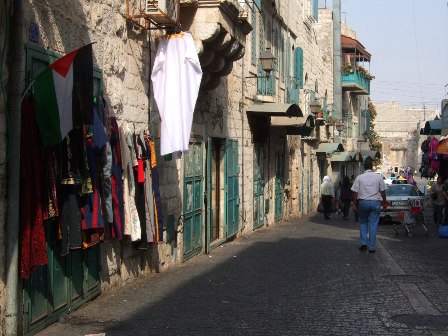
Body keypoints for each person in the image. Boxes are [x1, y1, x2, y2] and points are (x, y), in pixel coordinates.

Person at [351, 158, 387, 253]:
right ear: (372, 167)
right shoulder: (378, 177)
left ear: (364, 167)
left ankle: (363, 245)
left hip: (363, 202)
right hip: (375, 203)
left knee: (363, 222)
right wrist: (384, 201)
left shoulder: (359, 177)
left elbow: (355, 192)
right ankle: (372, 247)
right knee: (373, 224)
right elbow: (383, 191)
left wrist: (354, 204)